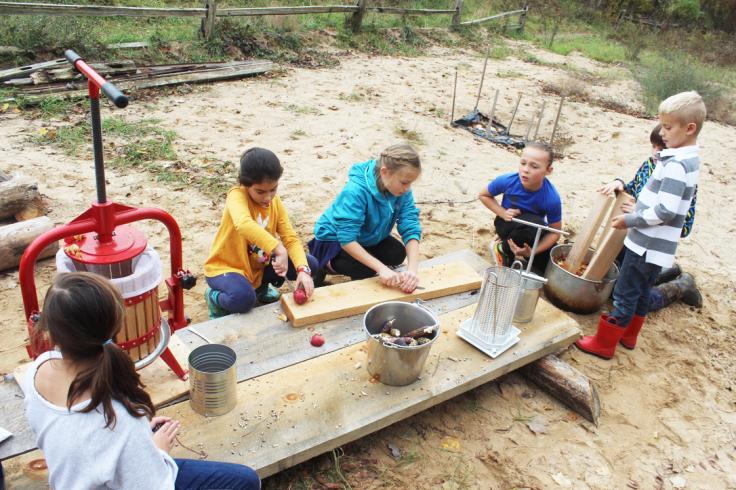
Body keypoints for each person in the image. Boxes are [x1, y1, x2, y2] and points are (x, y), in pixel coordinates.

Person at [24, 272, 260, 489]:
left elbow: (80, 437)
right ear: (117, 324)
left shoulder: (39, 370)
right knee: (246, 482)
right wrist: (156, 451)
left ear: (49, 329)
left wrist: (135, 443)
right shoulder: (120, 417)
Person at [576, 91, 706, 359]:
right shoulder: (687, 159)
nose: (662, 132)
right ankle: (629, 335)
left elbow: (665, 210)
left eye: (667, 127)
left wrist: (630, 219)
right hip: (658, 246)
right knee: (643, 290)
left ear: (689, 128)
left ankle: (604, 344)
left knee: (624, 293)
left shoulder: (677, 165)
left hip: (646, 242)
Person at [204, 147, 319, 319]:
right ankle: (214, 297)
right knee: (243, 300)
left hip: (259, 266)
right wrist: (278, 248)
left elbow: (290, 238)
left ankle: (261, 287)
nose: (268, 197)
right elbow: (243, 224)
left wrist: (303, 270)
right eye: (260, 192)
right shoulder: (237, 195)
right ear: (245, 184)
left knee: (310, 264)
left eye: (273, 189)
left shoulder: (274, 202)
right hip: (227, 268)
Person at [599, 123, 702, 313]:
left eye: (661, 148)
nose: (655, 153)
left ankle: (680, 287)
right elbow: (633, 189)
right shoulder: (650, 164)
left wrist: (639, 212)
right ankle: (669, 272)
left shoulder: (678, 173)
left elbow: (684, 226)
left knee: (629, 296)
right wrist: (619, 184)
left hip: (649, 245)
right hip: (631, 238)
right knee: (614, 279)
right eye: (653, 146)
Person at [309, 143, 422, 293]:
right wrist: (381, 268)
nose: (407, 188)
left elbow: (410, 225)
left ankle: (363, 261)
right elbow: (346, 239)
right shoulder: (355, 191)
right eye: (404, 183)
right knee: (365, 269)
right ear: (384, 172)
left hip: (366, 236)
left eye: (410, 183)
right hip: (332, 240)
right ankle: (323, 265)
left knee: (397, 253)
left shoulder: (402, 189)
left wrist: (412, 271)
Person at [479, 141, 562, 276]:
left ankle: (525, 254)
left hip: (532, 232)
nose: (526, 170)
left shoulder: (552, 198)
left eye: (534, 166)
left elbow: (555, 232)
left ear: (548, 170)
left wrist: (533, 251)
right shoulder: (508, 180)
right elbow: (484, 195)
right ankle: (502, 248)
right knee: (535, 224)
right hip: (506, 222)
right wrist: (502, 212)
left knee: (551, 259)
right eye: (523, 163)